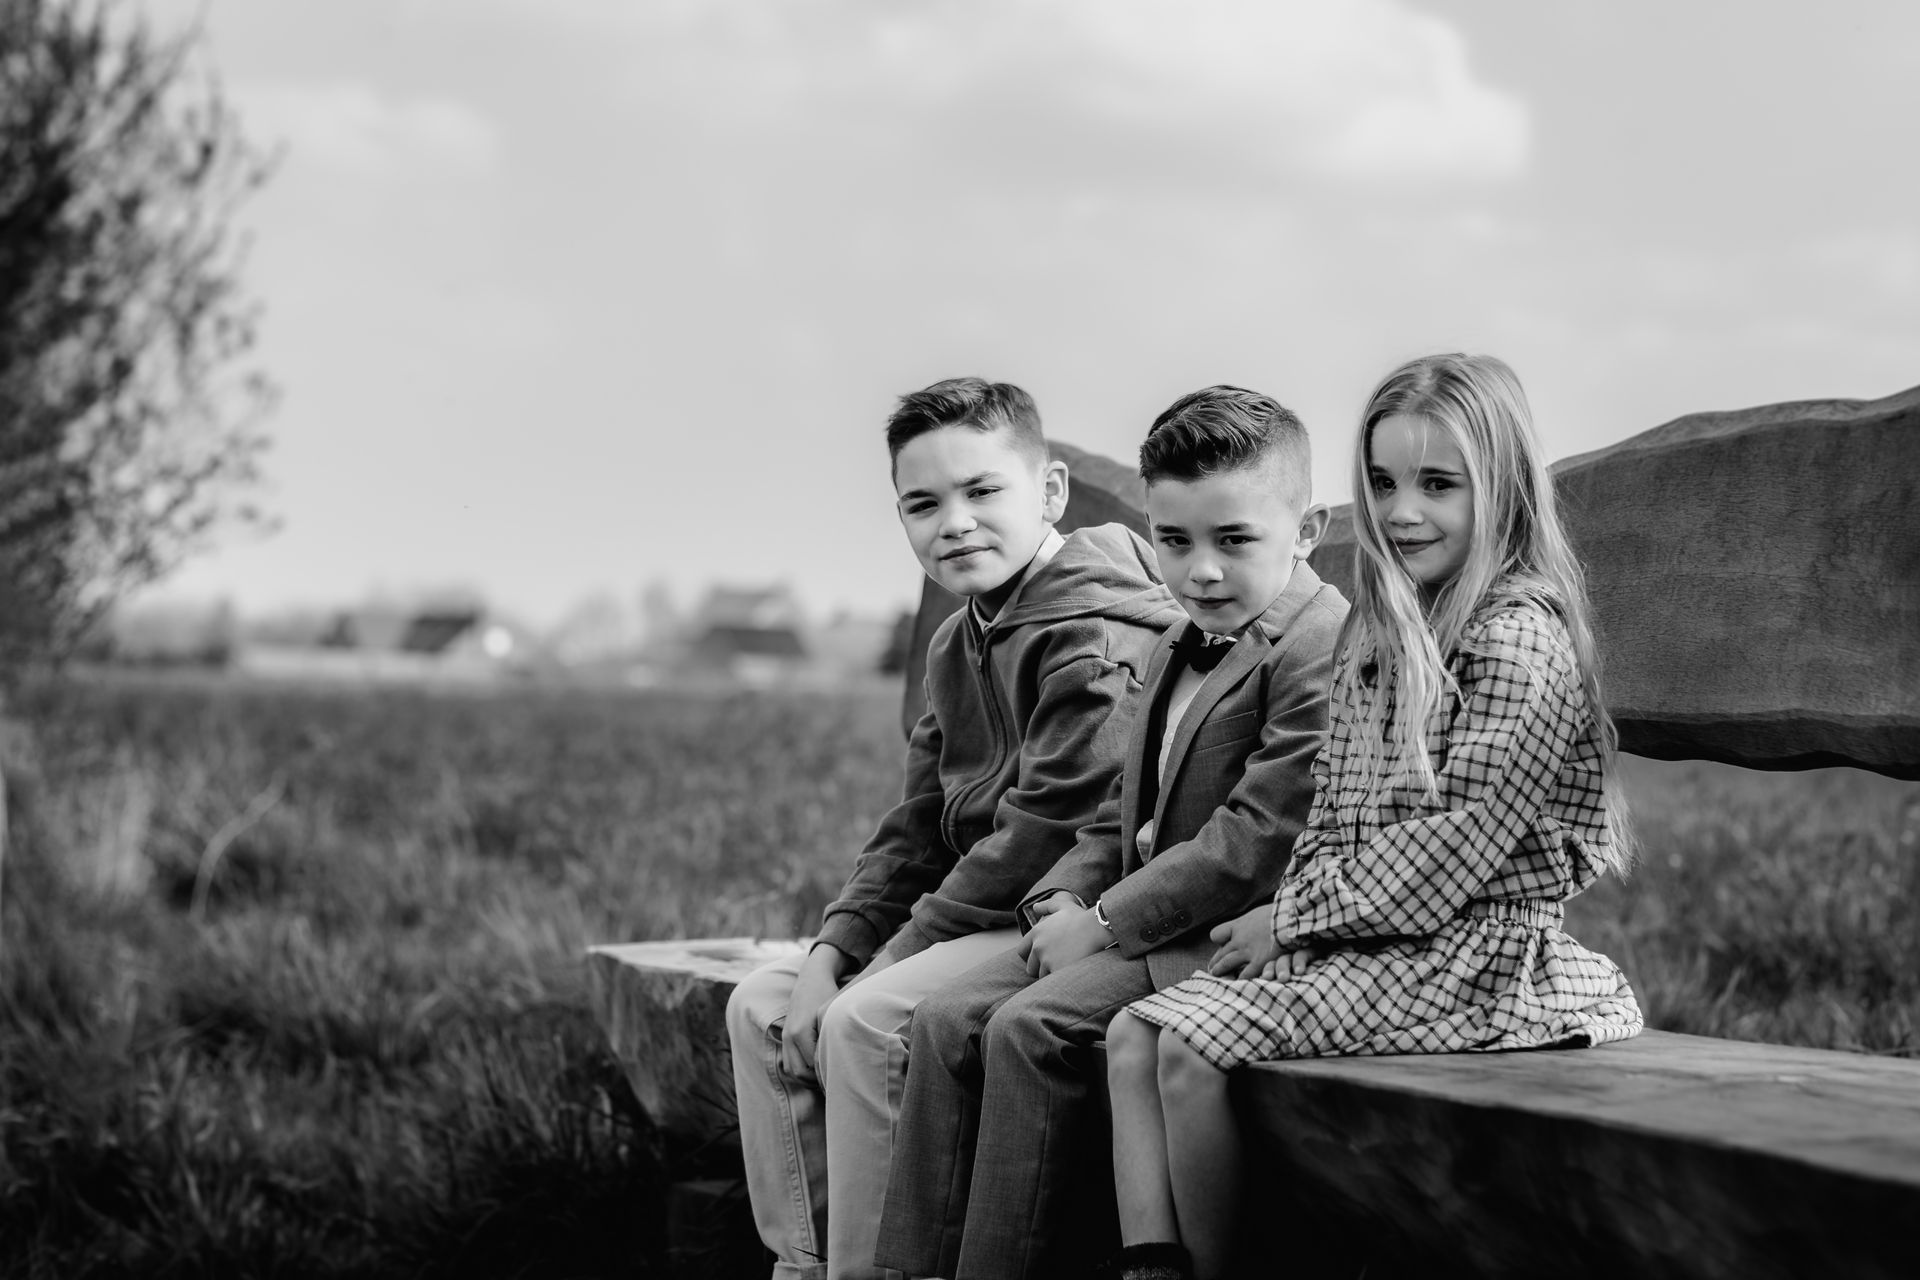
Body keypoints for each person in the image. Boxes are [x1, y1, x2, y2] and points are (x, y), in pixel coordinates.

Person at [1101, 354, 1645, 1280]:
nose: (1402, 512)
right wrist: (1302, 920)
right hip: (1373, 945)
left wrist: (1295, 916)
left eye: (1438, 484)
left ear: (1501, 489)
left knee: (1191, 1044)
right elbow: (1332, 805)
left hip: (1477, 960)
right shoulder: (1386, 630)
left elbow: (1456, 847)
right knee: (1132, 1033)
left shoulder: (1516, 640)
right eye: (1385, 483)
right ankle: (1153, 1263)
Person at [874, 385, 1349, 1280]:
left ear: (1307, 529)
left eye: (1233, 540)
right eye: (1174, 542)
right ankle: (910, 1267)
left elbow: (1255, 837)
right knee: (943, 1019)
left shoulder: (1318, 646)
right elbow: (1114, 813)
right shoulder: (1180, 637)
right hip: (1128, 918)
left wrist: (1100, 924)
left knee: (1030, 1027)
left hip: (1226, 936)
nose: (1200, 571)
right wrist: (1058, 897)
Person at [725, 376, 1181, 1280]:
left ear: (1048, 493)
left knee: (863, 1024)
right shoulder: (958, 637)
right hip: (967, 912)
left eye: (981, 492)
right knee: (765, 1008)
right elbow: (916, 822)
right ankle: (806, 1265)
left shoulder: (1095, 632)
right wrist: (832, 948)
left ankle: (882, 1270)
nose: (955, 523)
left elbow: (1042, 832)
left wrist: (885, 963)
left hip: (1054, 913)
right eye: (923, 504)